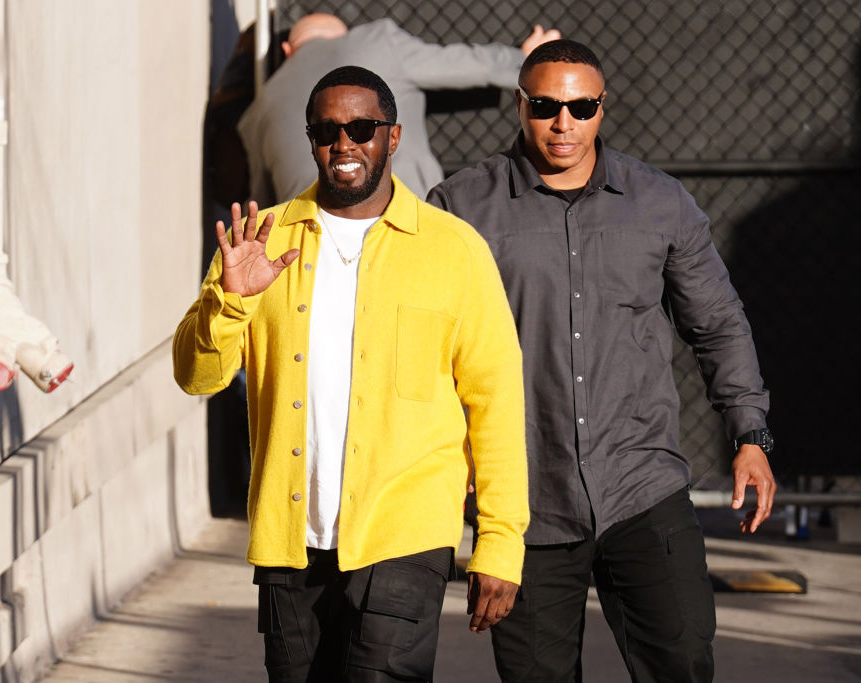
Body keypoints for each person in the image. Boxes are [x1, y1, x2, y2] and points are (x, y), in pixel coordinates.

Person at [428, 40, 776, 682]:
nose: (565, 123)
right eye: (547, 107)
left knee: (684, 664)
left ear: (602, 108)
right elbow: (427, 350)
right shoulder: (459, 209)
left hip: (642, 489)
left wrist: (749, 435)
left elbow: (718, 325)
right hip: (528, 505)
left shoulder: (660, 203)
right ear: (520, 106)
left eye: (582, 107)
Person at [174, 65, 528, 682]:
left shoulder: (453, 249)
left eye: (362, 128)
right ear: (310, 139)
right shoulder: (260, 240)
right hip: (290, 540)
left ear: (393, 138)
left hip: (404, 534)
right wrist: (229, 301)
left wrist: (499, 542)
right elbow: (197, 376)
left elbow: (494, 401)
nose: (344, 144)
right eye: (326, 130)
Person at [237, 13, 560, 206]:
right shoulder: (377, 41)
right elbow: (466, 65)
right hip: (405, 222)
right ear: (343, 34)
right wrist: (526, 59)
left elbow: (261, 207)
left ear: (288, 50)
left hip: (311, 252)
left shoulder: (259, 109)